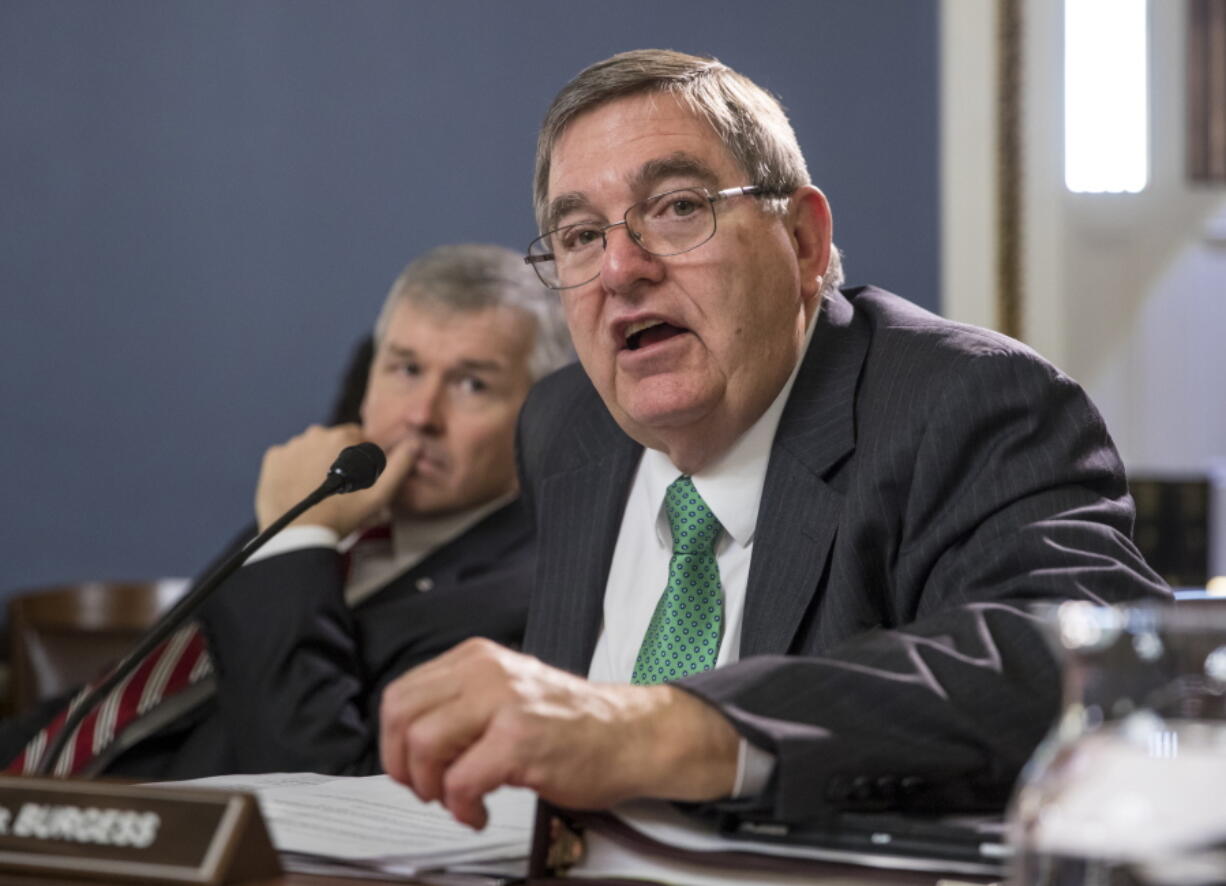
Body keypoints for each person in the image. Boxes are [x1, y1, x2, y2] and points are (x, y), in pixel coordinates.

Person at [377, 50, 1169, 834]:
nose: (621, 268)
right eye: (580, 235)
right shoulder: (563, 425)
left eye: (678, 207)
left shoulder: (968, 404)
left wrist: (661, 729)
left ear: (802, 243)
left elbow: (1081, 660)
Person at [2, 243, 573, 779]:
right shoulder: (326, 505)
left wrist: (296, 545)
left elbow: (318, 781)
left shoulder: (528, 597)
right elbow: (123, 701)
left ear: (540, 413)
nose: (421, 415)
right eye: (405, 369)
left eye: (472, 384)